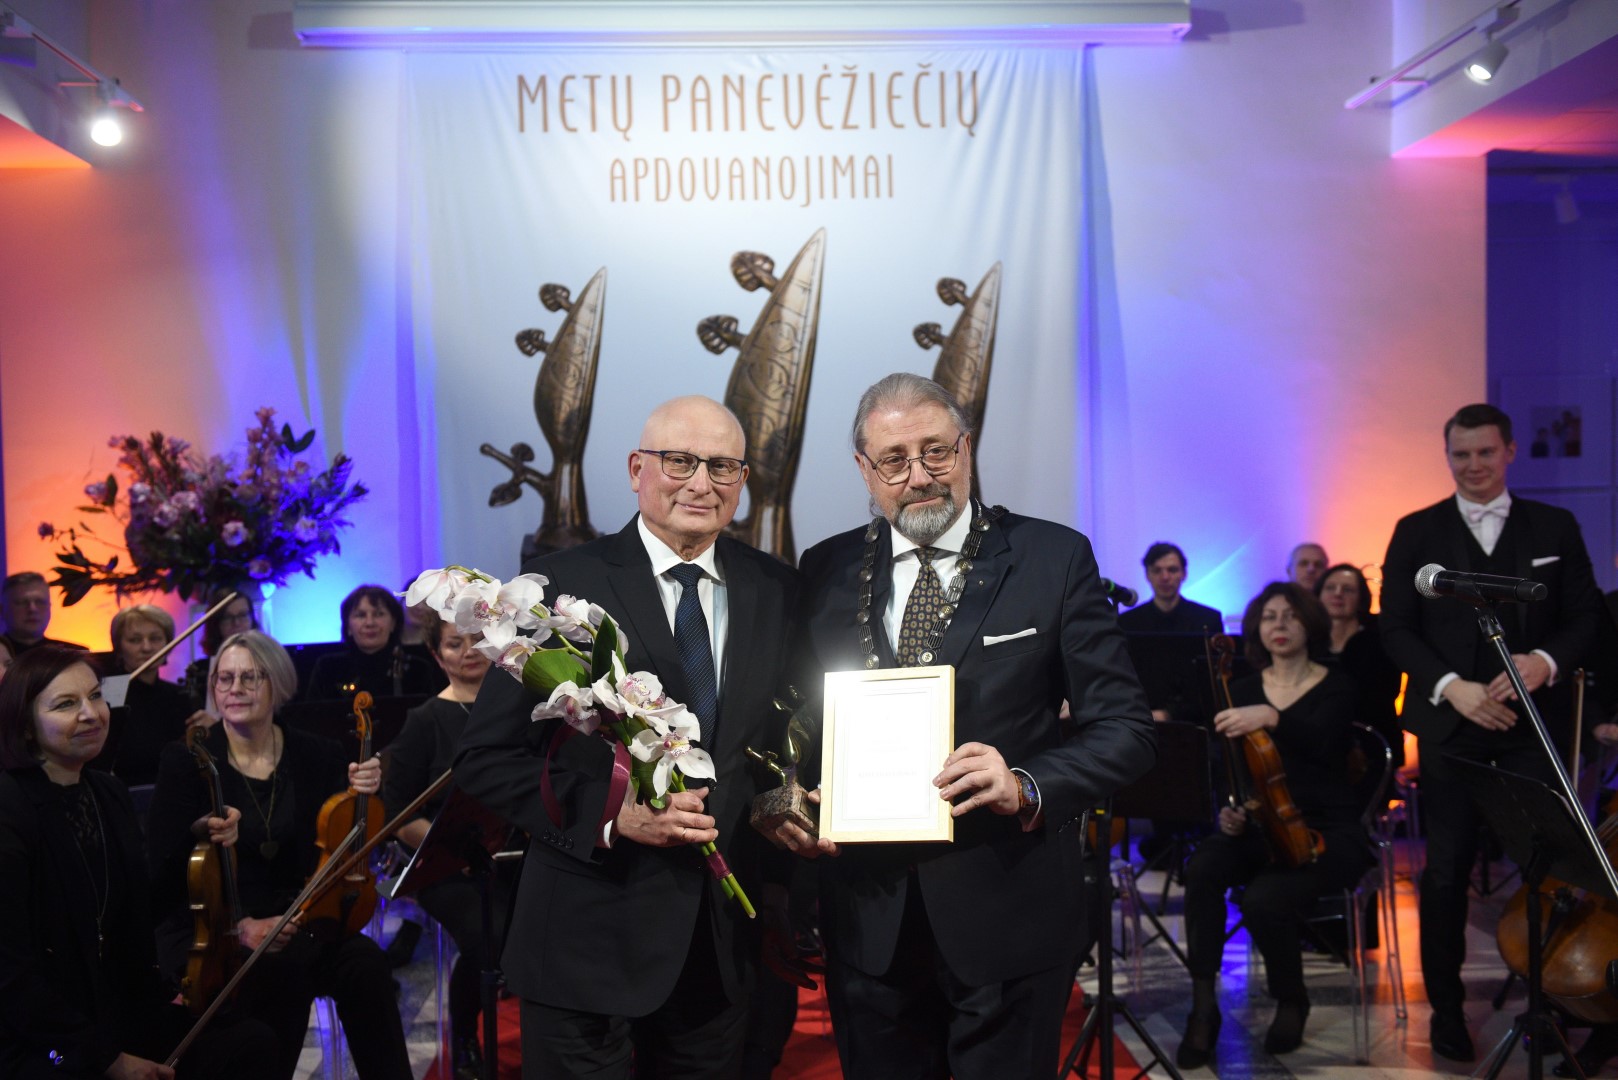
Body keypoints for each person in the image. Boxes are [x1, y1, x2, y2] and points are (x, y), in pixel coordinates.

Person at [780, 373, 1156, 1078]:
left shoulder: (1052, 558)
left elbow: (1126, 728)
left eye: (936, 451)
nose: (919, 475)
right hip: (867, 921)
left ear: (967, 448)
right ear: (864, 469)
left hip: (1009, 915)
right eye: (894, 459)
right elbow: (793, 719)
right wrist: (790, 793)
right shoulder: (824, 568)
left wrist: (1027, 783)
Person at [454, 395, 801, 1079]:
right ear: (637, 469)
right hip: (584, 941)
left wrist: (790, 794)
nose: (701, 483)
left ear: (743, 482)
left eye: (722, 467)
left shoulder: (778, 590)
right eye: (680, 462)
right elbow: (484, 759)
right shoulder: (562, 586)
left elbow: (785, 734)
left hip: (720, 950)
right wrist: (613, 814)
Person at [1380, 403, 1606, 1064]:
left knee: (1549, 870)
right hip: (1452, 729)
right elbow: (1395, 627)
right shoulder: (1416, 530)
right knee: (1445, 873)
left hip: (1532, 730)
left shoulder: (1554, 526)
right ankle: (1447, 1014)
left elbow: (1587, 617)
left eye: (1485, 452)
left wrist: (1544, 662)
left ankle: (1557, 1005)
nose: (1473, 465)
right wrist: (1454, 686)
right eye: (1461, 454)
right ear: (1447, 457)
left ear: (1509, 451)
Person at [0, 646, 279, 1080]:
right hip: (47, 1038)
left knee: (251, 1043)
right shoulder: (10, 807)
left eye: (95, 696)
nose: (92, 714)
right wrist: (109, 1060)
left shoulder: (107, 792)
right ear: (25, 724)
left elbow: (140, 909)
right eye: (66, 704)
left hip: (117, 1011)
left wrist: (196, 840)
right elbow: (11, 974)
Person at [146, 631, 413, 1080]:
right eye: (225, 678)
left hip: (302, 917)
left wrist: (366, 794)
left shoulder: (318, 753)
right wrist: (241, 925)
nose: (235, 688)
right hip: (220, 928)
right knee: (282, 977)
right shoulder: (187, 760)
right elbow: (163, 868)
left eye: (251, 677)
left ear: (279, 683)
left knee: (366, 964)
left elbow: (347, 846)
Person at [1176, 583, 1373, 1067]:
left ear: (1310, 624)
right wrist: (1228, 809)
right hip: (1259, 826)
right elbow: (1227, 769)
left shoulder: (1338, 685)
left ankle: (1292, 998)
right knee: (1202, 869)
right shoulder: (1240, 690)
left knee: (1264, 900)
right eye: (1269, 617)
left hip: (1327, 830)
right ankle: (1203, 1006)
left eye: (1290, 616)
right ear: (1256, 629)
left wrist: (1272, 717)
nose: (1279, 625)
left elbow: (1325, 743)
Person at [382, 607, 507, 1080]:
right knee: (487, 936)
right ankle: (466, 1036)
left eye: (478, 639)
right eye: (455, 643)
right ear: (437, 655)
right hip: (450, 867)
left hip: (513, 857)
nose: (469, 651)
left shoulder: (517, 709)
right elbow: (399, 815)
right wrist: (457, 850)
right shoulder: (425, 720)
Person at [92, 605, 213, 786]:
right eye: (134, 640)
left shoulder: (180, 696)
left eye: (155, 638)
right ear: (119, 647)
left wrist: (211, 731)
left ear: (168, 644)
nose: (146, 647)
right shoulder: (107, 695)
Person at [1315, 564, 1405, 769]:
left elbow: (1384, 695)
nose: (1338, 594)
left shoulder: (1380, 640)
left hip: (1374, 743)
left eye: (1348, 589)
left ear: (1361, 599)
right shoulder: (1307, 644)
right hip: (1322, 747)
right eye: (1330, 588)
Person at [303, 584, 440, 702]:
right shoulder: (328, 668)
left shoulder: (418, 669)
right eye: (361, 615)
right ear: (348, 627)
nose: (370, 623)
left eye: (379, 614)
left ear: (393, 623)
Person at [1117, 542, 1223, 635]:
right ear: (1147, 575)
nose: (1165, 577)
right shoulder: (1128, 623)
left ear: (1184, 574)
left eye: (1172, 570)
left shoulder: (1209, 620)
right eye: (1157, 570)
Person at [0, 571, 83, 654]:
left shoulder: (74, 655)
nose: (33, 609)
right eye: (22, 602)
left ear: (49, 607)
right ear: (2, 610)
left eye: (40, 602)